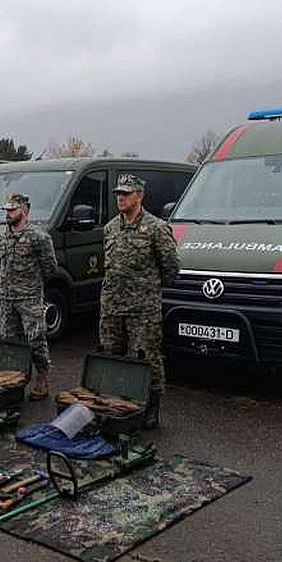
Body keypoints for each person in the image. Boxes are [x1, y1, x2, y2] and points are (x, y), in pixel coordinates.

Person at [100, 173, 180, 428]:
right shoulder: (110, 227)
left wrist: (147, 290)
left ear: (140, 196)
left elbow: (171, 268)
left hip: (142, 310)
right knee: (112, 356)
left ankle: (151, 407)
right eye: (118, 194)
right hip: (112, 307)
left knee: (147, 358)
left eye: (126, 193)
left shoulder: (156, 228)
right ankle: (118, 404)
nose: (121, 198)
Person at [0, 193, 57, 400]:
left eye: (12, 210)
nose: (8, 214)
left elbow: (50, 268)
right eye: (7, 210)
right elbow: (0, 266)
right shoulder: (1, 238)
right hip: (6, 299)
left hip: (29, 299)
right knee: (9, 342)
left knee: (36, 340)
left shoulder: (38, 237)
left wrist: (32, 286)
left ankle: (42, 378)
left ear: (24, 210)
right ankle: (15, 381)